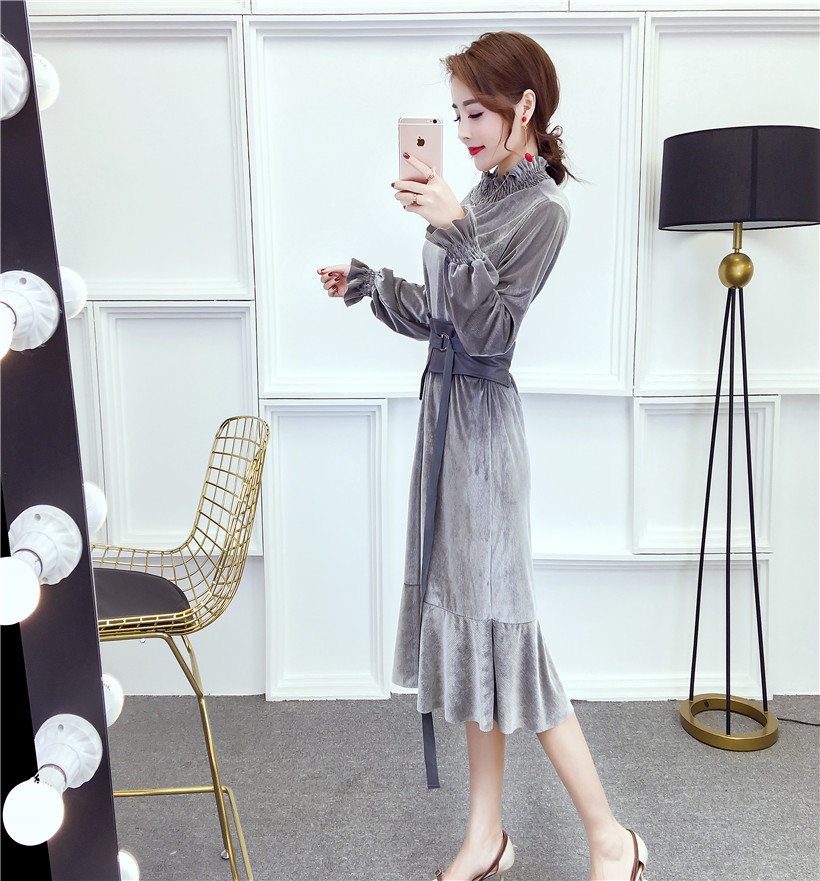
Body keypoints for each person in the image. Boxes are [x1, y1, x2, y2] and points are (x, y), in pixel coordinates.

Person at [317, 30, 647, 881]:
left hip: (486, 441)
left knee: (510, 639)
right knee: (470, 636)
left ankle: (612, 836)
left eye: (475, 113)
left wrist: (457, 230)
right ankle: (485, 836)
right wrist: (368, 283)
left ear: (523, 107)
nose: (461, 131)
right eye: (455, 114)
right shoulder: (475, 194)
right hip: (445, 427)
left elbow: (492, 333)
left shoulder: (541, 213)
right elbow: (444, 319)